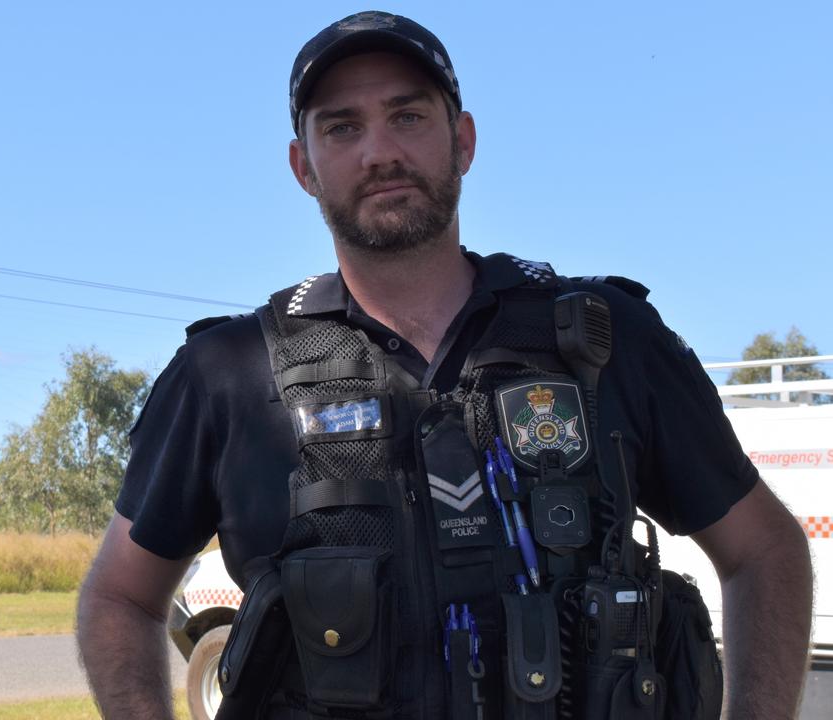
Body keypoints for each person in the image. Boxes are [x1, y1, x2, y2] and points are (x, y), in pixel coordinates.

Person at [76, 10, 812, 720]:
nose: (379, 152)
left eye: (408, 116)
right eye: (341, 127)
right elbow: (119, 597)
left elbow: (764, 552)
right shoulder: (225, 374)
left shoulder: (603, 338)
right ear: (303, 167)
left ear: (462, 140)